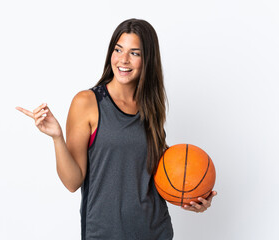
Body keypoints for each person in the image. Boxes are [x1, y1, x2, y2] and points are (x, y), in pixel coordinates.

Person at [16, 18, 217, 240]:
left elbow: (159, 173)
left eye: (135, 53)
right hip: (105, 233)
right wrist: (57, 138)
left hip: (155, 231)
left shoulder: (152, 106)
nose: (123, 59)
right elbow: (72, 182)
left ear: (147, 59)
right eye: (118, 49)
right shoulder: (87, 102)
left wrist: (190, 196)